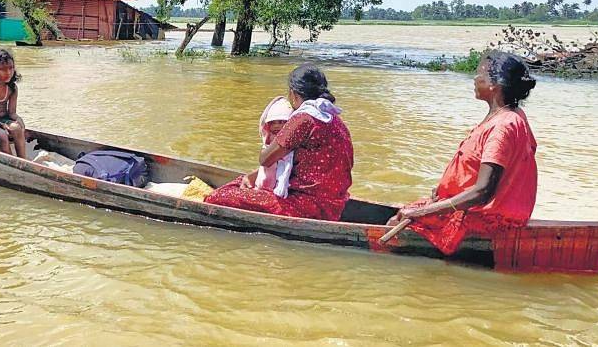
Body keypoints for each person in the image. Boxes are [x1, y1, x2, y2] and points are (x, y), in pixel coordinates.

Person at [387, 51, 538, 255]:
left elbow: (482, 192)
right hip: (496, 210)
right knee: (407, 211)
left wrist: (421, 212)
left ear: (495, 85)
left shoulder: (502, 127)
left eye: (480, 74)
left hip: (487, 218)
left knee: (394, 224)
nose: (475, 79)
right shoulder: (512, 115)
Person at [205, 64, 354, 221]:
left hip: (308, 207)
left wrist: (273, 135)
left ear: (293, 93)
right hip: (334, 205)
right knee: (245, 180)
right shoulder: (335, 120)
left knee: (219, 196)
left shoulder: (304, 118)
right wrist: (256, 174)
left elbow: (265, 159)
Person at [0, 48, 28, 159]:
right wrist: (0, 124)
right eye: (2, 69)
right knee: (3, 134)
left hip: (3, 118)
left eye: (11, 68)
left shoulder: (12, 88)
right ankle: (10, 159)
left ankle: (23, 160)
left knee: (17, 128)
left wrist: (19, 120)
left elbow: (12, 113)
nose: (8, 72)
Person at [254, 96, 294, 197]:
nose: (276, 126)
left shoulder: (291, 142)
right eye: (273, 123)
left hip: (280, 187)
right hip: (264, 183)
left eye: (281, 122)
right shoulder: (269, 140)